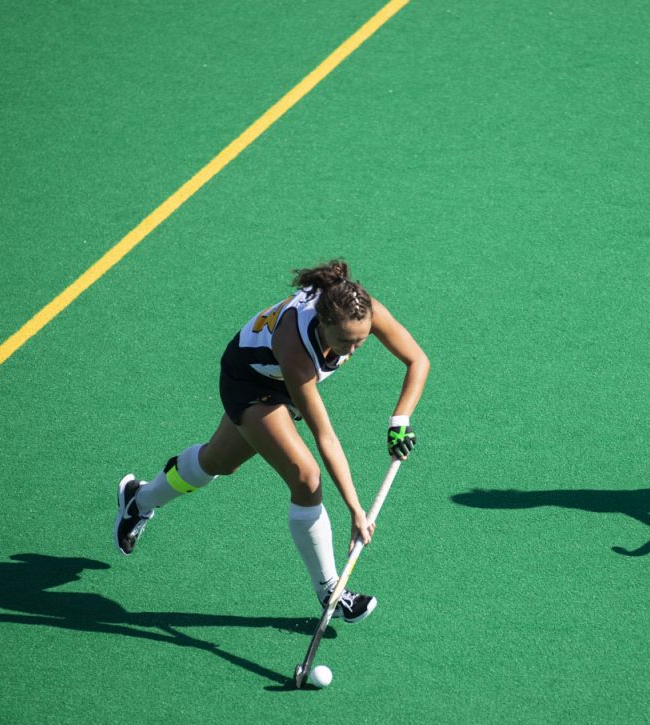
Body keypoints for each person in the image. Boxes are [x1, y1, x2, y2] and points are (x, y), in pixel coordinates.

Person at [114, 259, 429, 622]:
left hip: (278, 383)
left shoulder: (360, 308)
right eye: (344, 341)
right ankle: (332, 590)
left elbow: (417, 360)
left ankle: (139, 499)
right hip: (250, 382)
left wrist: (400, 418)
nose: (351, 350)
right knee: (306, 476)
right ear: (323, 323)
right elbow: (324, 436)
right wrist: (355, 509)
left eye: (361, 340)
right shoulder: (295, 348)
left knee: (217, 463)